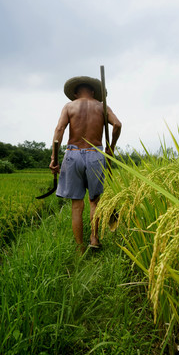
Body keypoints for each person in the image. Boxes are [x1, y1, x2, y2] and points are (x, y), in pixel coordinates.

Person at [49, 76, 122, 253]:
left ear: (75, 93)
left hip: (73, 154)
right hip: (95, 154)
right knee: (94, 201)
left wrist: (54, 158)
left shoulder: (69, 106)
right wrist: (110, 148)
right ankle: (94, 238)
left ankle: (80, 248)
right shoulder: (101, 106)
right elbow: (117, 125)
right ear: (92, 91)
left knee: (76, 204)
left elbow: (59, 129)